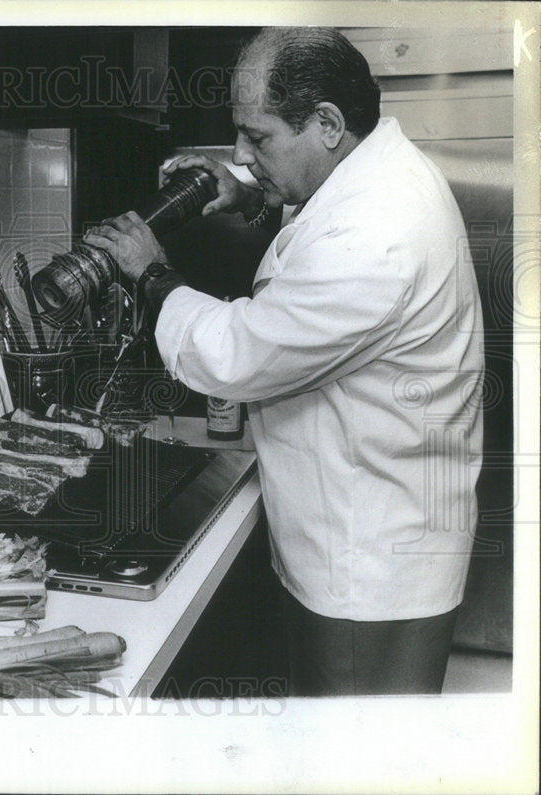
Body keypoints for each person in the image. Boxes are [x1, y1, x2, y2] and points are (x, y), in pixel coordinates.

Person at [83, 27, 484, 696]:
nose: (240, 153)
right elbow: (317, 218)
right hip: (360, 536)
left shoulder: (380, 229)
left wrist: (149, 271)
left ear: (327, 122)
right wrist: (251, 190)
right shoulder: (370, 172)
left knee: (357, 765)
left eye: (258, 138)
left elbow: (237, 353)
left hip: (368, 571)